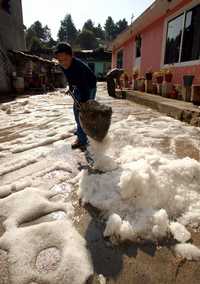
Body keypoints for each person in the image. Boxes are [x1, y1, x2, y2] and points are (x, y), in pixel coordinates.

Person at [54, 42, 97, 151]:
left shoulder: (78, 67)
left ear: (71, 56)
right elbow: (70, 77)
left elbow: (85, 88)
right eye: (60, 60)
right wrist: (71, 88)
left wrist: (83, 102)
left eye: (65, 59)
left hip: (89, 86)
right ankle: (81, 134)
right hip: (79, 86)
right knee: (76, 112)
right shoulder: (63, 65)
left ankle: (84, 141)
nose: (63, 63)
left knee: (83, 114)